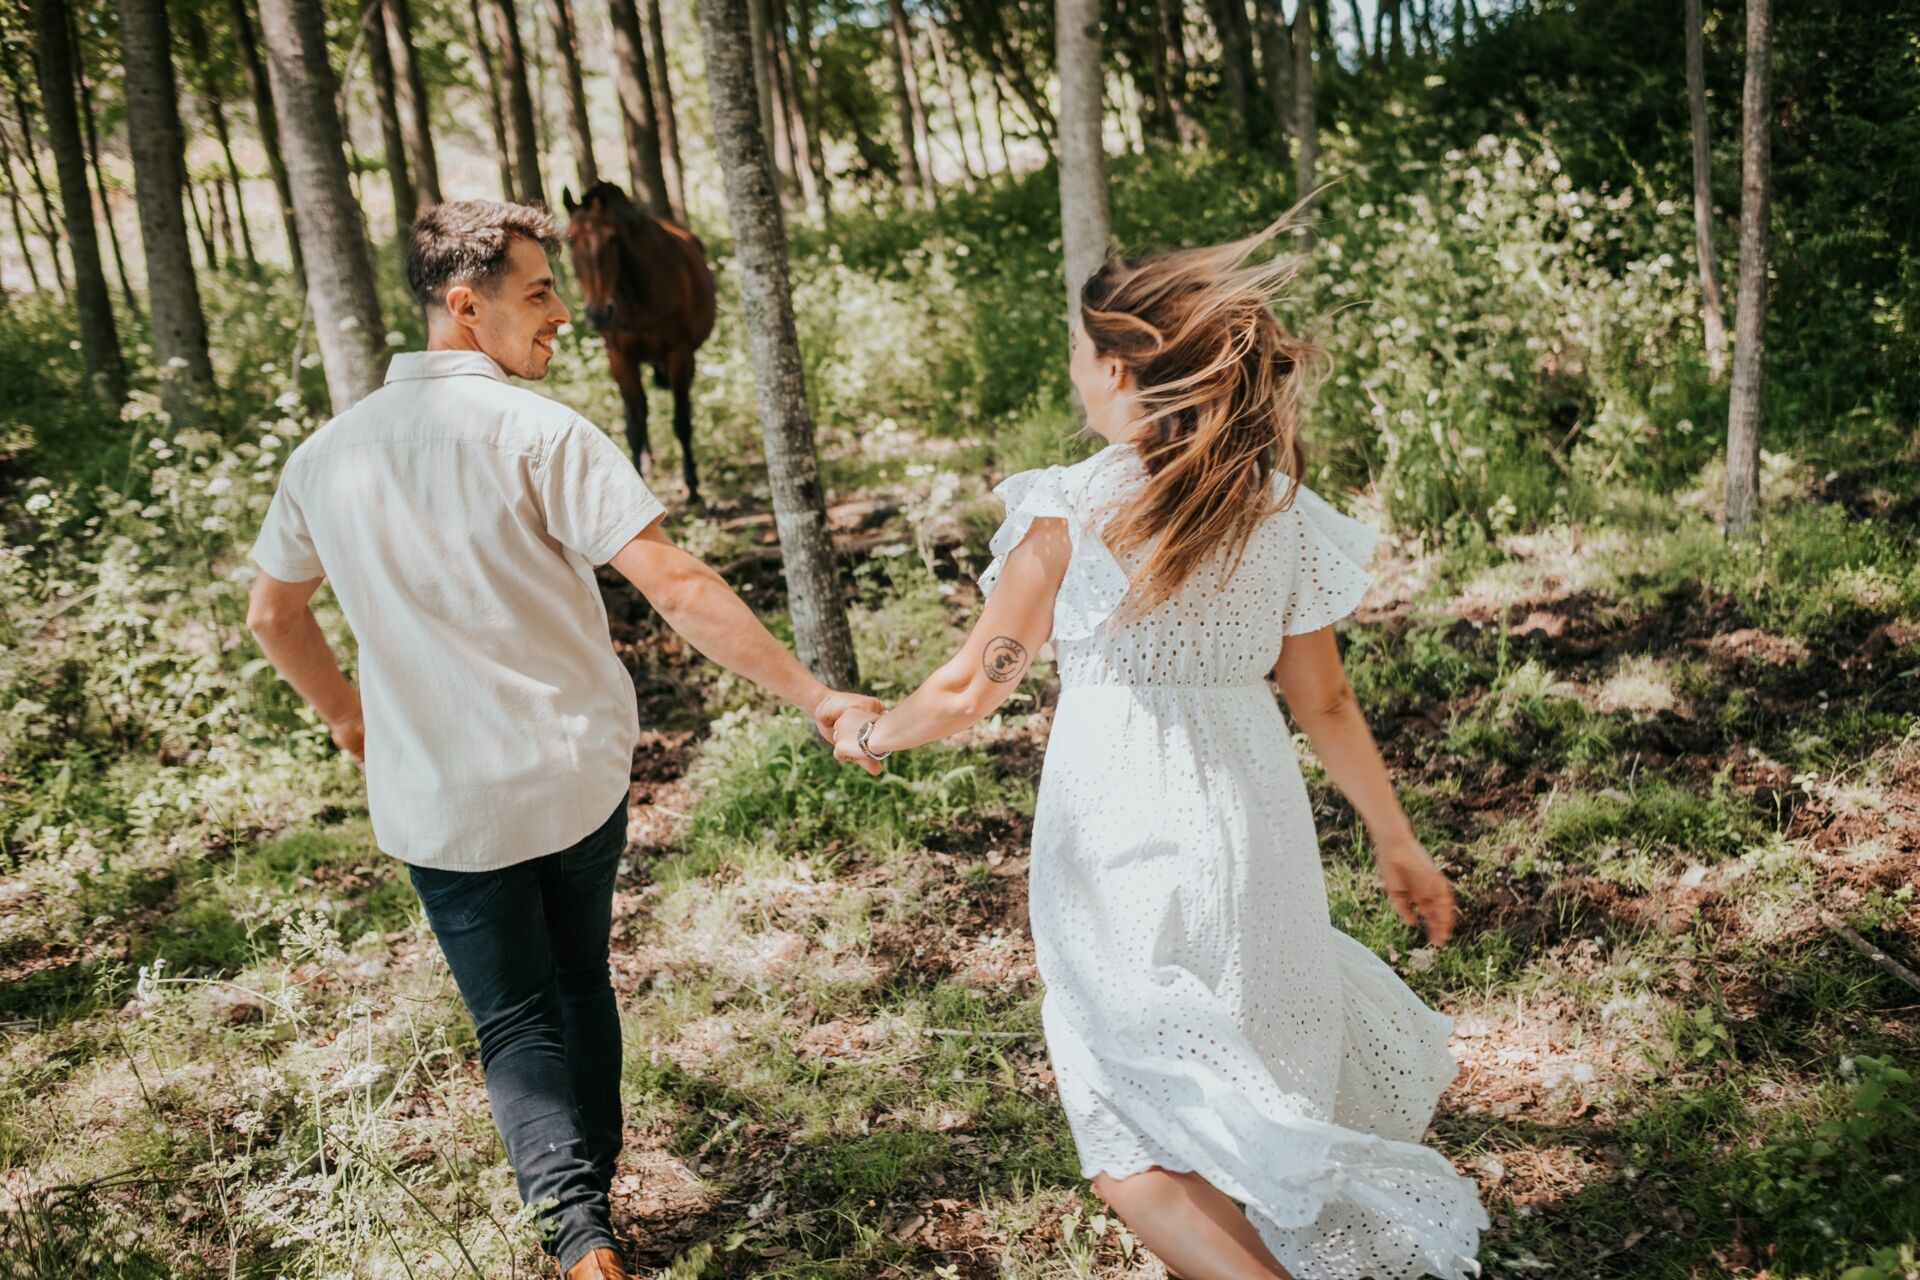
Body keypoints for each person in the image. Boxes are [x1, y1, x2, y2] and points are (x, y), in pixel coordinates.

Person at [834, 224, 1489, 1280]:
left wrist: (869, 728)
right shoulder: (1271, 507)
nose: (1075, 372)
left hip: (1121, 826)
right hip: (1255, 819)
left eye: (1081, 352)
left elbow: (974, 680)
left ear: (1121, 367)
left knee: (1126, 1129)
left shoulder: (1070, 506)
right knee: (1232, 1078)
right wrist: (1396, 839)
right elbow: (1323, 699)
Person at [246, 200, 880, 1280]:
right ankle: (596, 1204)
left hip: (440, 799)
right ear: (465, 306)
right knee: (580, 982)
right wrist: (814, 695)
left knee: (513, 1021)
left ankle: (581, 1241)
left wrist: (351, 718)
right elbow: (675, 582)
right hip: (569, 774)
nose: (563, 317)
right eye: (538, 294)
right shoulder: (542, 433)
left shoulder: (327, 454)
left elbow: (273, 613)